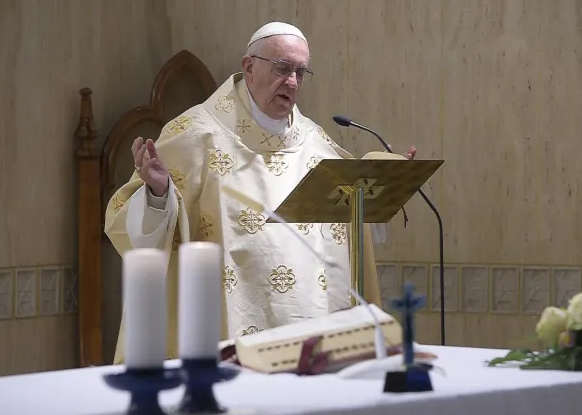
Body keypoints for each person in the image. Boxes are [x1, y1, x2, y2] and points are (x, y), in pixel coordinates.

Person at [104, 22, 417, 364]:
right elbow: (135, 230)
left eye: (301, 72)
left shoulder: (316, 142)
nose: (293, 83)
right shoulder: (195, 134)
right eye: (283, 69)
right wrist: (159, 192)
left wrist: (388, 183)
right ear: (249, 67)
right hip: (233, 327)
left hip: (313, 324)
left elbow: (353, 224)